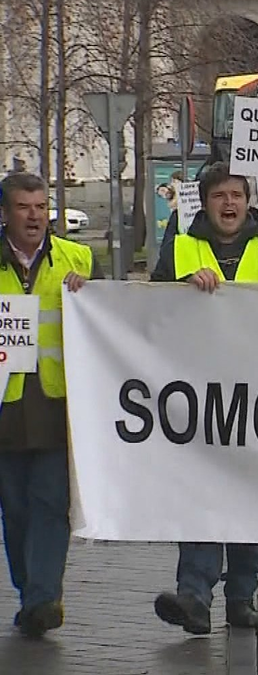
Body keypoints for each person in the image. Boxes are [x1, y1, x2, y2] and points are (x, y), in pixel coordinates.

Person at [152, 163, 258, 635]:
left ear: (247, 200)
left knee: (248, 498)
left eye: (237, 194)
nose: (230, 203)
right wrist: (181, 287)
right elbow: (148, 304)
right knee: (200, 494)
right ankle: (194, 595)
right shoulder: (180, 244)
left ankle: (242, 595)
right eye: (220, 195)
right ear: (206, 201)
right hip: (199, 394)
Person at [0, 173, 94, 637]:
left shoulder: (76, 258)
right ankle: (28, 589)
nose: (35, 215)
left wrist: (89, 289)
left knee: (51, 505)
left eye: (40, 206)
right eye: (23, 207)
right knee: (14, 511)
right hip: (6, 411)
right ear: (5, 214)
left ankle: (43, 598)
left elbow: (108, 317)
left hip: (58, 406)